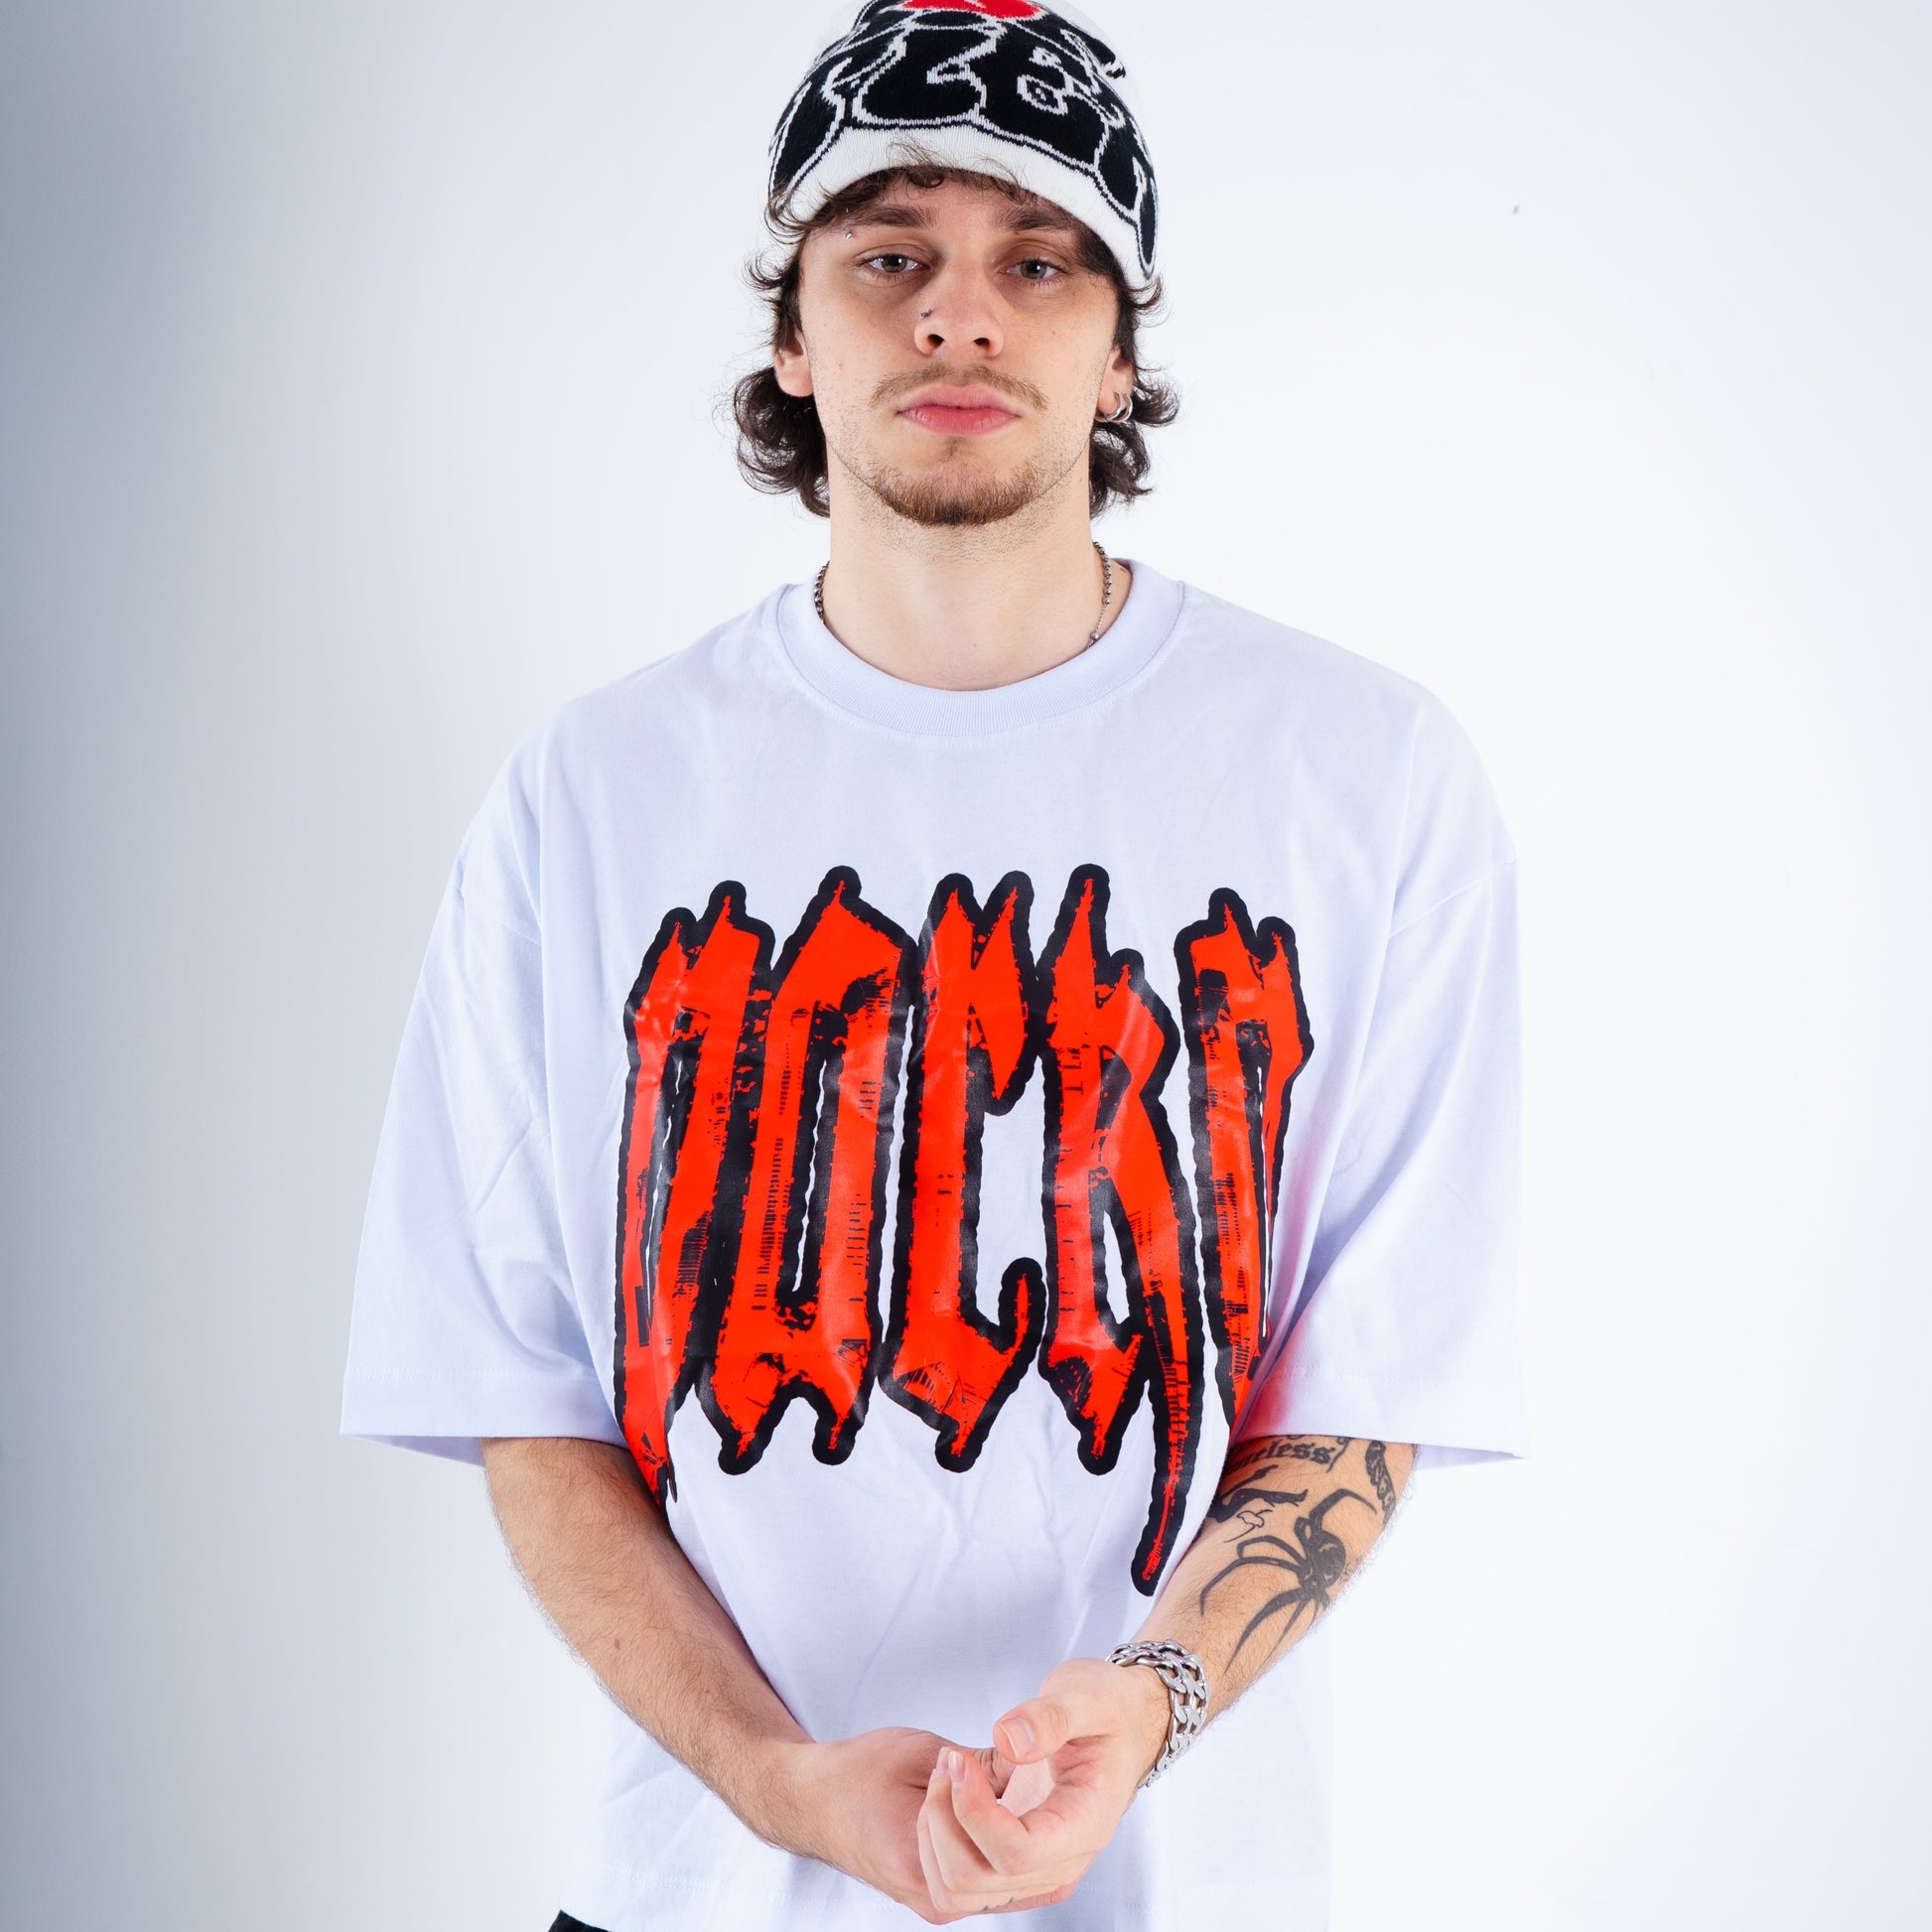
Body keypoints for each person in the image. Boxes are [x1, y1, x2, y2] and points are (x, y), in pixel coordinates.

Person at [340, 3, 1529, 1927]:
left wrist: (1143, 1705)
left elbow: (1368, 1374)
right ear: (793, 338)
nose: (959, 315)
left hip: (1179, 1887)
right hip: (697, 1890)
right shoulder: (591, 793)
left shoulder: (1362, 772)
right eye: (888, 256)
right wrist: (776, 1780)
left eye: (1036, 261)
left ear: (1119, 347)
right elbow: (522, 1395)